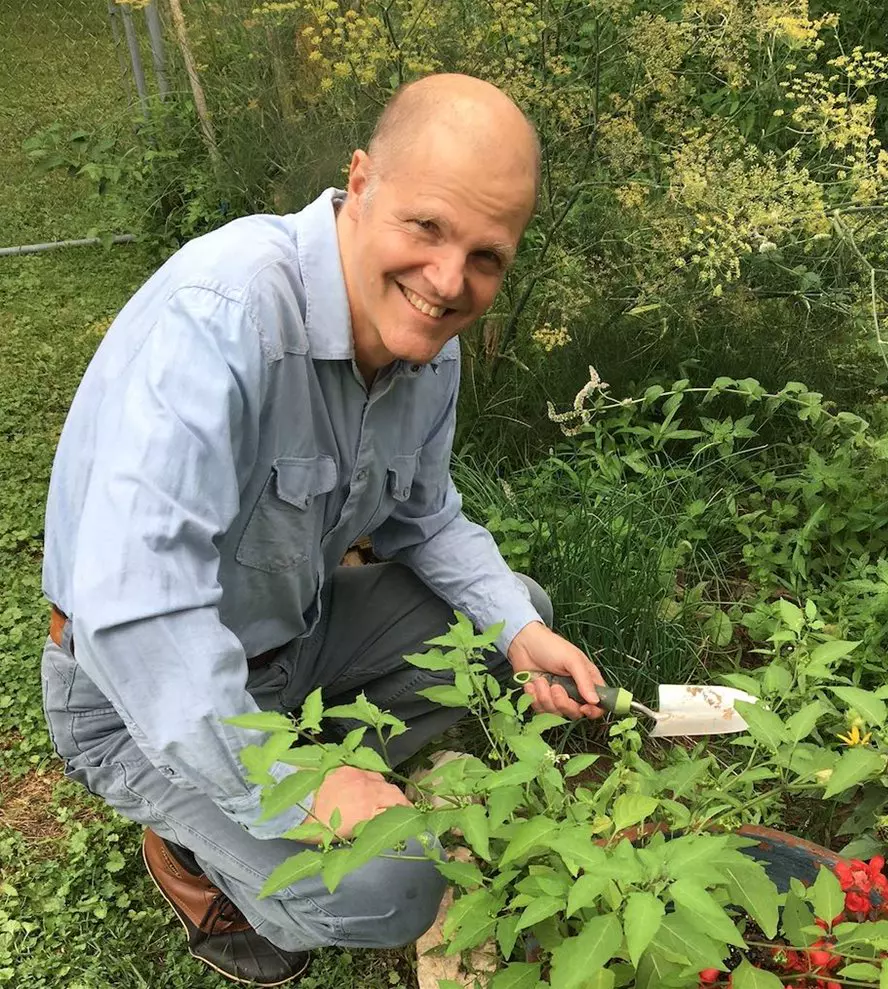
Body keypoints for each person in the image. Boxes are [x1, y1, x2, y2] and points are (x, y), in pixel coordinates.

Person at [40, 74, 606, 986]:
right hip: (128, 699)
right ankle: (196, 852)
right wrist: (301, 786)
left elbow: (426, 514)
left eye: (487, 256)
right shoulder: (223, 317)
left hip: (287, 643)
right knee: (393, 885)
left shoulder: (429, 347)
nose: (449, 281)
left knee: (510, 623)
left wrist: (522, 629)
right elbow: (141, 616)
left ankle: (277, 780)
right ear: (361, 180)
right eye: (427, 227)